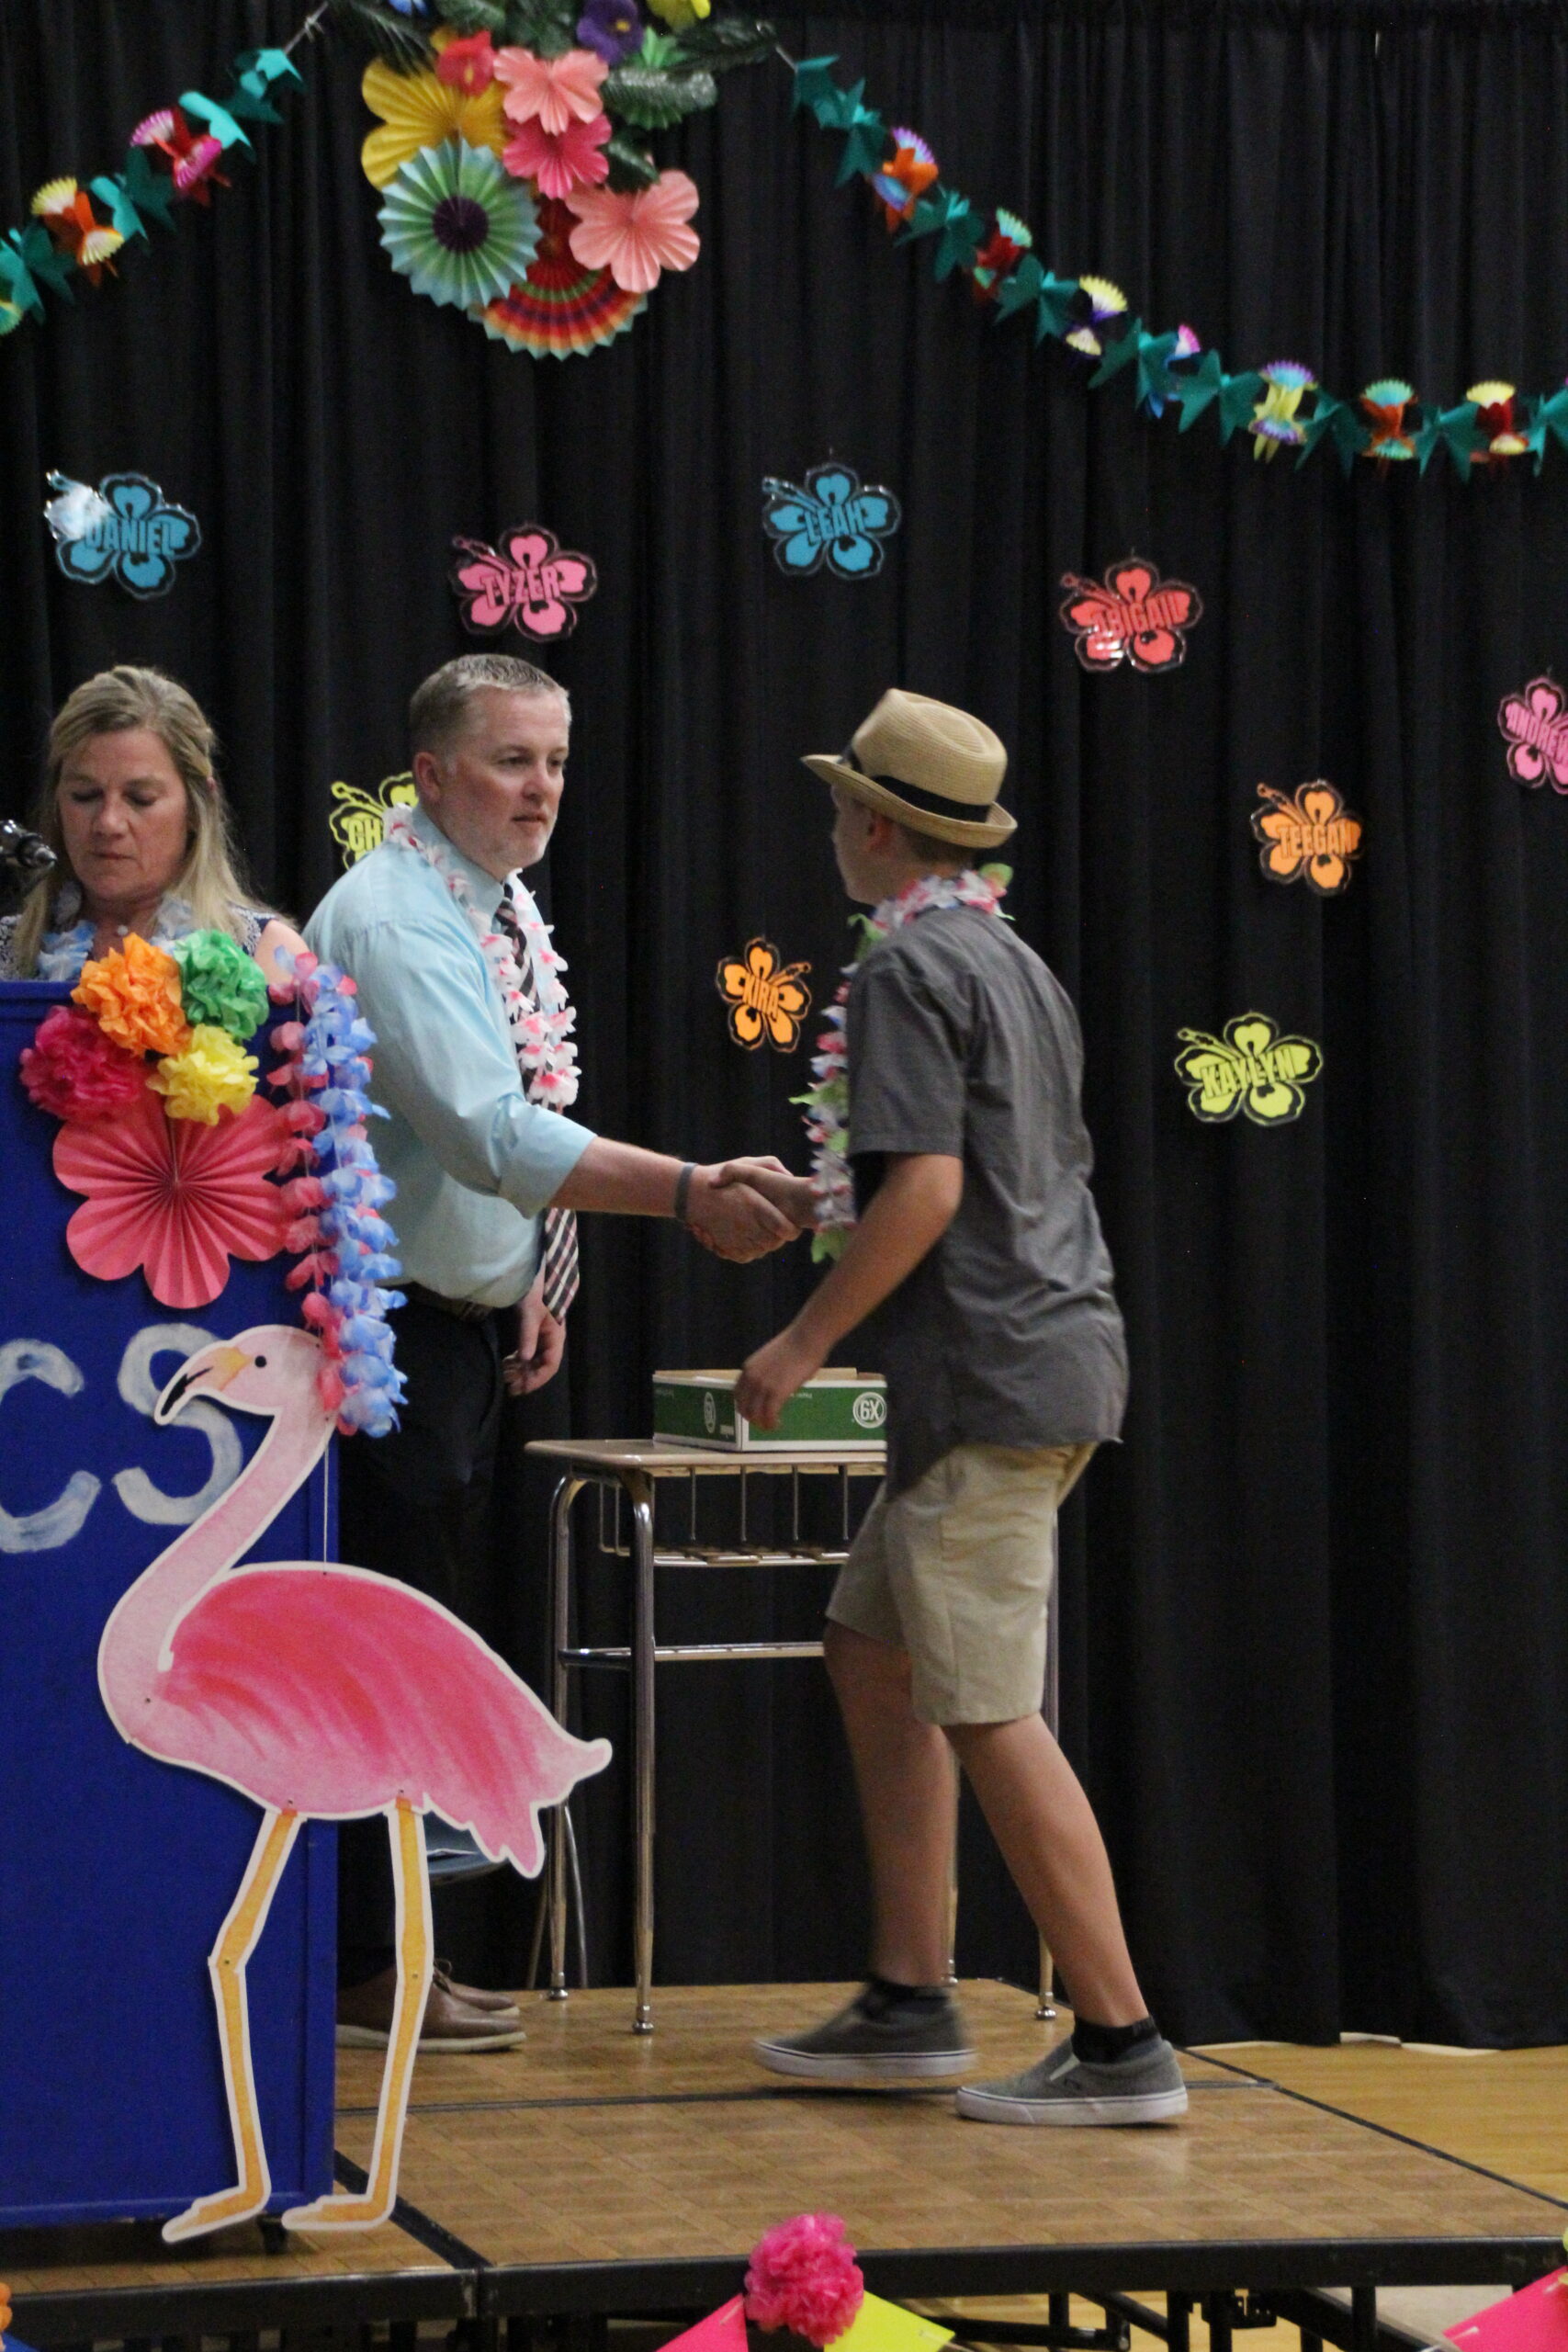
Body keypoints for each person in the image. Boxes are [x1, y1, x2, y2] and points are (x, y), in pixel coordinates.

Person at [306, 652, 795, 2052]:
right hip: (381, 1334)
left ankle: (392, 1959)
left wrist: (542, 1270)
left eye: (557, 763)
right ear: (430, 775)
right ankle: (361, 1969)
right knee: (381, 1655)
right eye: (511, 761)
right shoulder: (395, 917)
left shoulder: (494, 900)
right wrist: (690, 1192)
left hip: (460, 1325)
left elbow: (532, 1091)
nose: (542, 791)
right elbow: (487, 1134)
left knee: (420, 1643)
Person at [738, 689, 1187, 2127]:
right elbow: (987, 1171)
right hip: (1031, 1357)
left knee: (986, 1705)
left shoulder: (905, 971)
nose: (831, 830)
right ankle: (908, 1994)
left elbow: (927, 1190)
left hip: (989, 1375)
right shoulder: (1006, 959)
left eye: (838, 808)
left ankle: (1120, 2042)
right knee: (872, 1650)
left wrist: (801, 1339)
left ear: (875, 828)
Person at [0, 666, 307, 985]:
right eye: (85, 795)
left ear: (197, 808)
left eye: (140, 799)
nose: (108, 823)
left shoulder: (268, 958)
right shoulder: (8, 955)